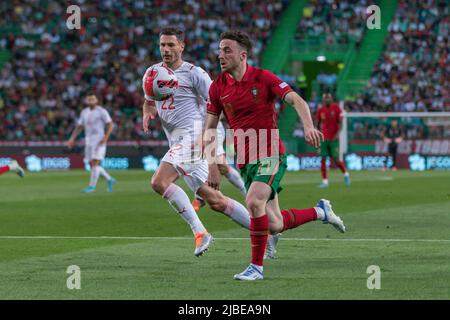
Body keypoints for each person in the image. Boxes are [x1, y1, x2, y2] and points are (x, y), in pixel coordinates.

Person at [203, 30, 346, 281]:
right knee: (275, 224)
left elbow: (297, 100)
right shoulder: (218, 87)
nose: (220, 55)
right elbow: (209, 128)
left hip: (270, 151)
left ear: (242, 55)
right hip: (245, 159)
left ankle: (256, 268)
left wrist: (309, 126)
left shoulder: (263, 77)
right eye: (219, 50)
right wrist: (212, 164)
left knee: (254, 202)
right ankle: (321, 211)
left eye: (227, 50)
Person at [142, 27, 266, 258]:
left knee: (159, 182)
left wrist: (207, 142)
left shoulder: (194, 74)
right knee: (216, 201)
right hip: (177, 142)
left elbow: (217, 106)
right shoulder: (152, 72)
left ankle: (200, 232)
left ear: (182, 46)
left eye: (171, 45)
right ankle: (265, 232)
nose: (166, 49)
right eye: (162, 45)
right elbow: (149, 100)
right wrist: (147, 112)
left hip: (194, 138)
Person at [192, 116, 247, 211]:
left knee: (222, 166)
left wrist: (213, 117)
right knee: (202, 162)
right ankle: (200, 196)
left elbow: (221, 111)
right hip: (195, 128)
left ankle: (246, 192)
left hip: (213, 127)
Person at [68, 93, 116, 193]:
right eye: (89, 99)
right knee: (93, 165)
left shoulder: (101, 111)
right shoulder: (84, 112)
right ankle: (109, 179)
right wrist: (72, 138)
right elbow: (79, 127)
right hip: (89, 141)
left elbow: (110, 124)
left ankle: (91, 186)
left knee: (95, 162)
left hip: (99, 140)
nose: (91, 101)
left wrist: (106, 137)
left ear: (96, 100)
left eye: (93, 99)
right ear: (86, 101)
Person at [316, 93, 350, 188]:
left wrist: (337, 134)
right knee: (323, 159)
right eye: (325, 98)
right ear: (323, 100)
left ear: (331, 99)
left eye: (328, 98)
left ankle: (346, 174)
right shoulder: (320, 110)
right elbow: (318, 124)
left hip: (334, 139)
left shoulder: (336, 108)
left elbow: (341, 124)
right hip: (324, 138)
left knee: (336, 159)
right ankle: (325, 181)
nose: (327, 100)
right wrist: (318, 135)